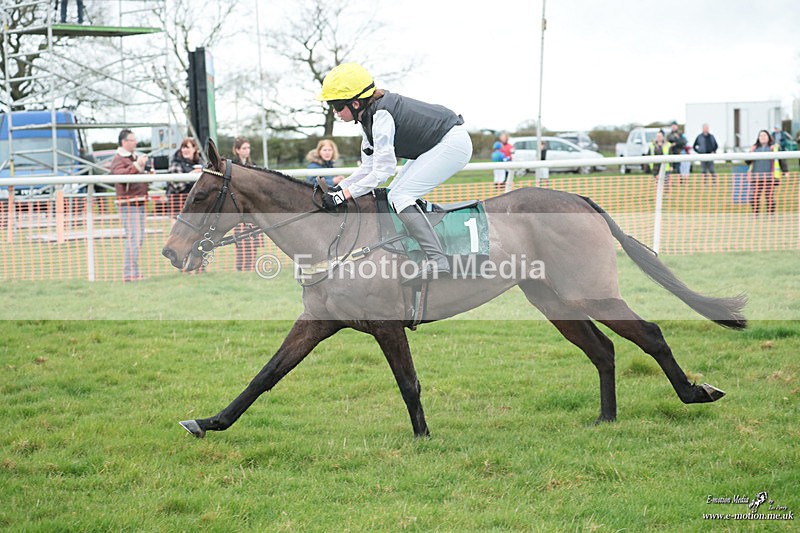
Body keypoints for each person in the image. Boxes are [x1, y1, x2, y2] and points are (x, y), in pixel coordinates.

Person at [318, 62, 472, 284]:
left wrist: (345, 195)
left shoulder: (381, 116)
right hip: (436, 143)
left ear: (355, 103)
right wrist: (339, 188)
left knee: (399, 196)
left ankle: (438, 260)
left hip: (452, 143)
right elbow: (367, 168)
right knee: (395, 194)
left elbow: (383, 171)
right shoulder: (367, 118)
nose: (334, 112)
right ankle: (417, 248)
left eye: (337, 106)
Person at [110, 129, 150, 282]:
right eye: (132, 140)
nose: (136, 143)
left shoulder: (133, 157)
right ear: (124, 142)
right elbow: (121, 177)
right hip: (128, 204)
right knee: (133, 238)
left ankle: (134, 272)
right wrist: (137, 166)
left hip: (139, 202)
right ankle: (129, 274)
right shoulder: (118, 159)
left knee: (138, 239)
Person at [231, 136, 263, 271]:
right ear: (237, 150)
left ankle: (250, 266)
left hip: (252, 208)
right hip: (239, 208)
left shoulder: (253, 164)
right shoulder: (233, 165)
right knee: (241, 240)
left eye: (248, 148)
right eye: (244, 148)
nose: (247, 150)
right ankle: (241, 268)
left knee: (253, 239)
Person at [747, 130, 781, 216]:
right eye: (760, 135)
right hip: (756, 177)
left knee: (769, 197)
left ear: (768, 137)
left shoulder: (773, 147)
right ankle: (755, 214)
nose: (762, 137)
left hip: (769, 176)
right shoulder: (754, 148)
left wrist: (786, 171)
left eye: (764, 135)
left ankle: (770, 215)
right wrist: (750, 153)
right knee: (754, 197)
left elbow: (781, 160)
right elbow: (747, 161)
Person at [167, 137, 203, 216]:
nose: (185, 150)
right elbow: (176, 186)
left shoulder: (201, 163)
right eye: (183, 147)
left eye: (187, 147)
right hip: (178, 207)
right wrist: (190, 176)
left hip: (194, 206)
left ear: (194, 149)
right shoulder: (175, 163)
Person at [648, 130, 672, 195]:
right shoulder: (651, 145)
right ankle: (658, 194)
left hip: (665, 166)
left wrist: (671, 166)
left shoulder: (668, 144)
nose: (658, 137)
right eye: (657, 136)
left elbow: (671, 156)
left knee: (666, 181)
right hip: (655, 166)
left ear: (663, 137)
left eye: (660, 136)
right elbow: (648, 155)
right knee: (657, 181)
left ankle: (667, 194)